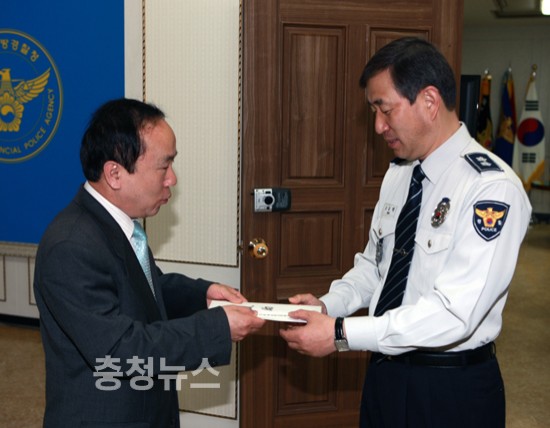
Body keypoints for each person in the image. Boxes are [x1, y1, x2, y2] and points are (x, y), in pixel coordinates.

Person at [279, 37, 532, 427]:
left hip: (450, 387)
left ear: (429, 101)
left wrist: (341, 333)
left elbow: (453, 314)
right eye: (374, 112)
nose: (378, 126)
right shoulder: (400, 174)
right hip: (385, 371)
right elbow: (374, 267)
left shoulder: (490, 189)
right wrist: (328, 307)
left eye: (385, 109)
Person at [33, 98, 265, 428]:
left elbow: (143, 289)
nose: (172, 179)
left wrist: (203, 295)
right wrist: (217, 327)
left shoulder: (116, 224)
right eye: (163, 166)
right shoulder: (70, 246)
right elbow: (118, 350)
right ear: (115, 173)